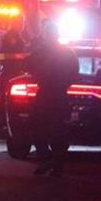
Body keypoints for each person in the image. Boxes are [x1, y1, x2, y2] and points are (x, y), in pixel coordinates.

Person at [24, 21, 78, 176]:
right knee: (57, 130)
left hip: (45, 95)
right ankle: (57, 164)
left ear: (47, 35)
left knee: (36, 127)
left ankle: (47, 159)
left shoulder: (41, 51)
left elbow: (27, 65)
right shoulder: (68, 53)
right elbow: (74, 72)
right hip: (60, 96)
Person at [0, 28, 26, 149]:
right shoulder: (13, 40)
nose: (21, 25)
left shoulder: (10, 38)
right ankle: (13, 142)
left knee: (4, 109)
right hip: (12, 78)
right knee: (7, 109)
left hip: (10, 77)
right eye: (20, 23)